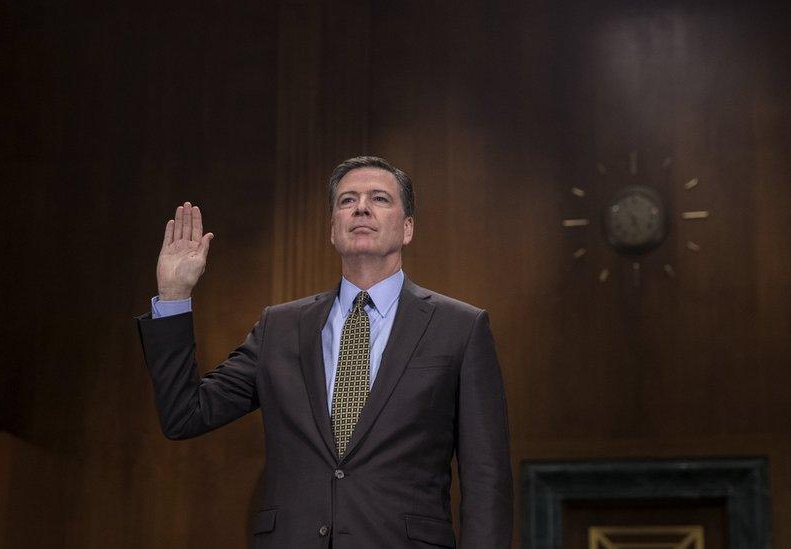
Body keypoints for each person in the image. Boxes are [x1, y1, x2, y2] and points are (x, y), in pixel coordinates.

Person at [136, 156, 512, 548]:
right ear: (333, 230)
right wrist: (174, 296)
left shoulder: (460, 328)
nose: (361, 207)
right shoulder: (279, 328)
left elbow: (487, 478)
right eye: (347, 200)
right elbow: (185, 414)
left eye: (379, 198)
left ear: (408, 228)